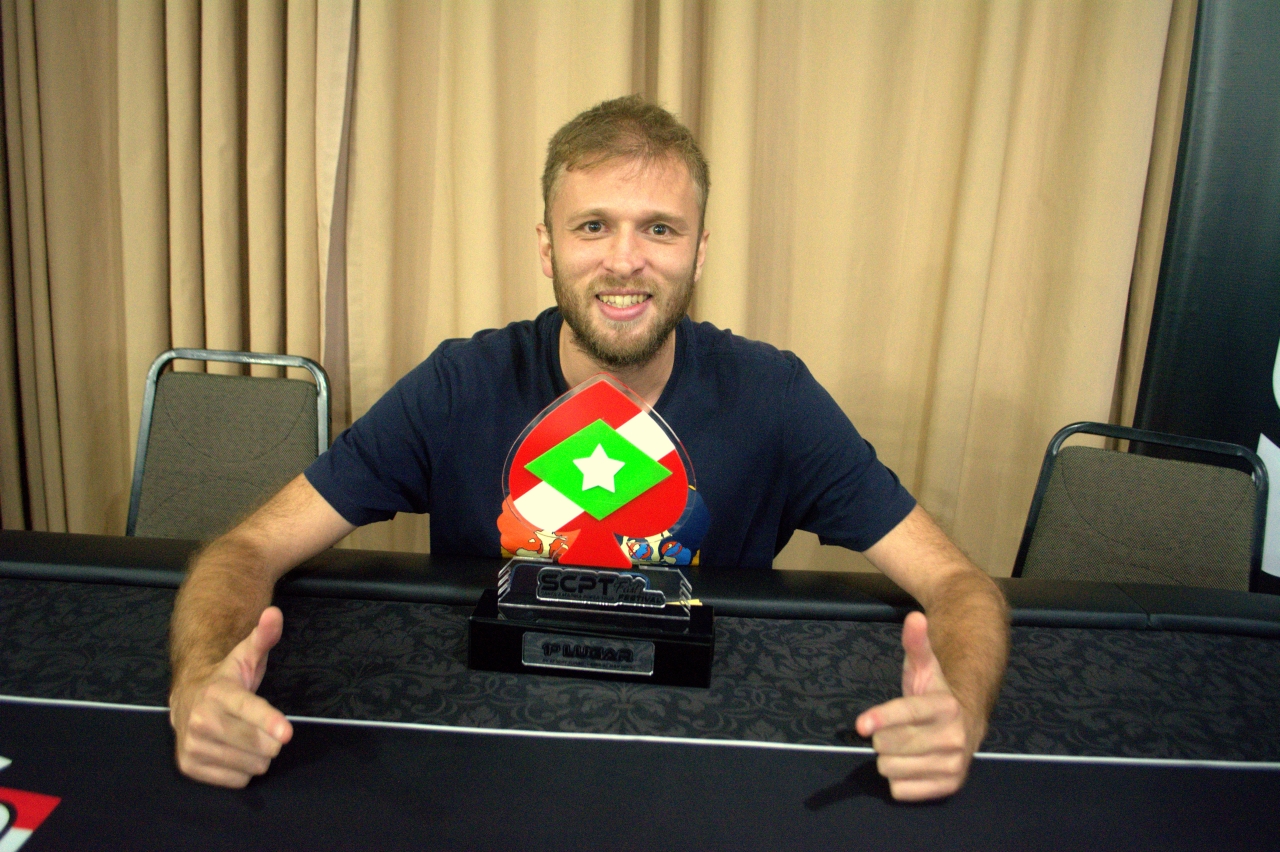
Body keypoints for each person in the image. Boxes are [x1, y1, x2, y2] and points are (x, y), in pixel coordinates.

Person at [168, 96, 1009, 801]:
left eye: (660, 229)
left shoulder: (774, 398)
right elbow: (248, 549)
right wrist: (200, 679)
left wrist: (962, 707)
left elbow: (957, 583)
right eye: (593, 226)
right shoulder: (459, 384)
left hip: (697, 763)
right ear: (547, 247)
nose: (625, 261)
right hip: (481, 759)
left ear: (700, 252)